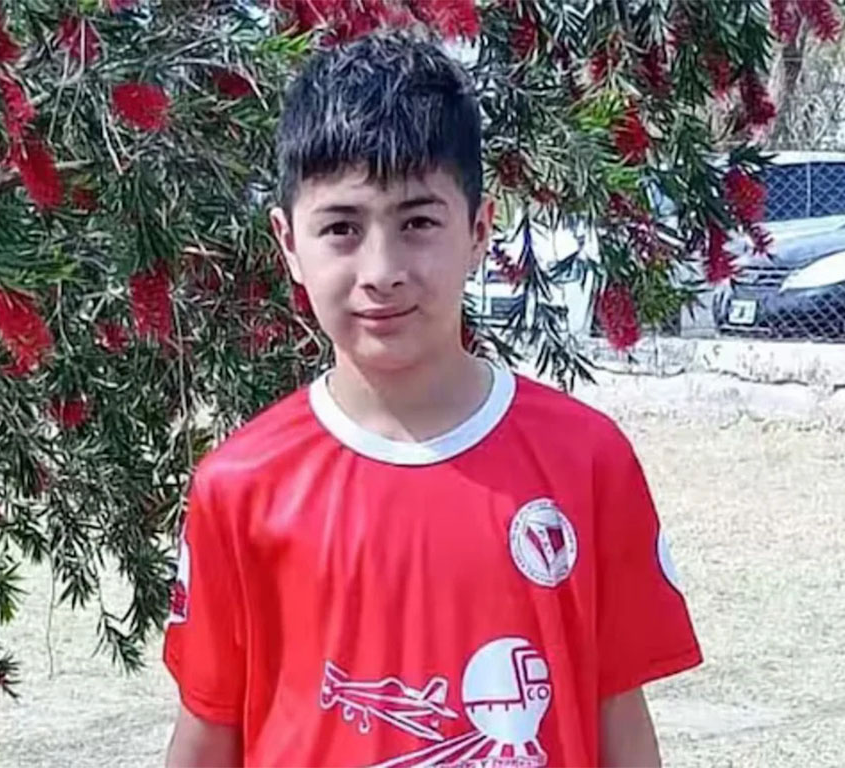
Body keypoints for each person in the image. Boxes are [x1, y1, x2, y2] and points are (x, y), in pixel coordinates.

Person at [163, 32, 702, 768]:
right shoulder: (239, 486)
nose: (381, 270)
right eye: (342, 228)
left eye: (417, 222)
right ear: (288, 244)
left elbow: (620, 721)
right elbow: (208, 732)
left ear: (478, 231)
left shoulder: (587, 461)